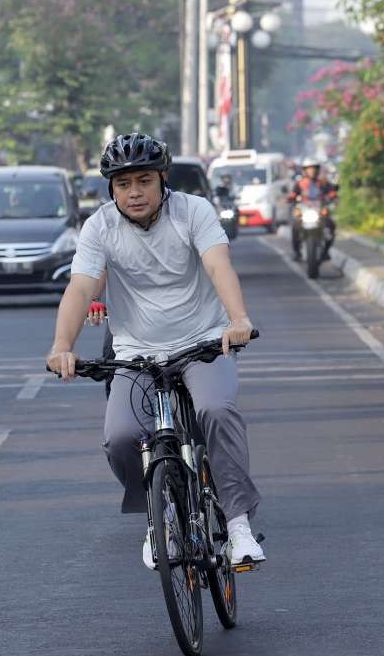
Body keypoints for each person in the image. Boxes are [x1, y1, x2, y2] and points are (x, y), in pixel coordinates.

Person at [46, 133, 265, 568]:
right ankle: (158, 518)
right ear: (111, 188)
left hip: (203, 343)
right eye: (123, 184)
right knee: (121, 438)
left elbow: (218, 264)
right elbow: (81, 287)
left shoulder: (194, 211)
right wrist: (62, 346)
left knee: (216, 412)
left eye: (144, 181)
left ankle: (238, 525)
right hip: (136, 352)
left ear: (162, 180)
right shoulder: (100, 227)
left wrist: (238, 320)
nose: (134, 192)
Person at [288, 157, 338, 261]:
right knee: (295, 226)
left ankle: (325, 252)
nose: (312, 171)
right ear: (305, 170)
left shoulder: (323, 183)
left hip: (319, 210)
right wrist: (291, 198)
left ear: (317, 170)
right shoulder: (300, 183)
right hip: (304, 210)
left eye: (314, 168)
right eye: (309, 169)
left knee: (331, 225)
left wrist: (332, 195)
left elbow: (332, 191)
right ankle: (297, 252)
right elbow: (293, 194)